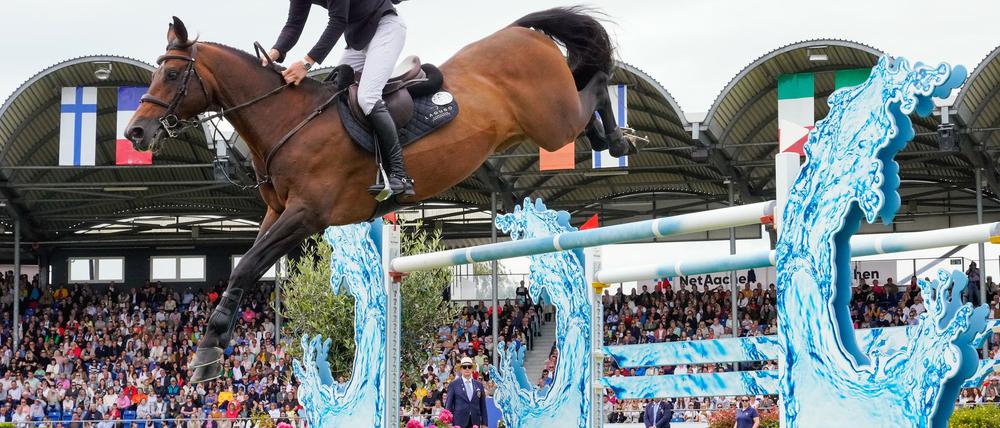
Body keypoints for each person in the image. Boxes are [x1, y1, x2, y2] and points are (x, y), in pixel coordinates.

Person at [264, 0, 414, 196]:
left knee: (367, 97)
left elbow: (337, 21)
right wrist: (272, 54)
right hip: (357, 39)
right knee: (333, 94)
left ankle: (400, 174)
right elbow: (294, 23)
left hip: (385, 28)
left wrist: (306, 64)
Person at [444, 357, 487, 428]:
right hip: (458, 422)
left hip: (475, 422)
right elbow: (448, 405)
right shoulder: (453, 384)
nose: (467, 369)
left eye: (469, 367)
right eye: (464, 367)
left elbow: (483, 406)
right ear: (461, 369)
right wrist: (448, 422)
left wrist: (485, 423)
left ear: (472, 369)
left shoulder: (479, 385)